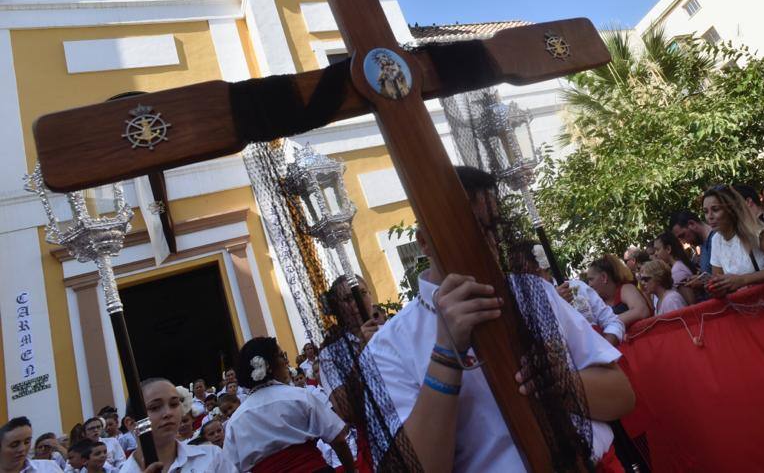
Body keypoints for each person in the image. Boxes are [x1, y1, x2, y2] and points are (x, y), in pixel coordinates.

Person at [364, 165, 635, 471]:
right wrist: (445, 356)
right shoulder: (387, 347)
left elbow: (622, 396)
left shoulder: (533, 292)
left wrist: (561, 384)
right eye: (470, 229)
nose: (489, 243)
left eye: (493, 228)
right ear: (424, 241)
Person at [222, 337, 353, 472]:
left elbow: (228, 468)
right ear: (270, 365)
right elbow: (337, 439)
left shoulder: (235, 422)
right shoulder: (299, 396)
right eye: (281, 356)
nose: (285, 361)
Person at [120, 378, 235, 473]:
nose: (168, 413)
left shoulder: (211, 457)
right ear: (131, 424)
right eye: (155, 407)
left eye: (174, 404)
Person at [703, 185, 764, 295]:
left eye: (715, 209)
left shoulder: (755, 232)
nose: (709, 216)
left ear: (731, 209)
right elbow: (720, 282)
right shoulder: (716, 240)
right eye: (705, 211)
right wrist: (715, 287)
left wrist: (743, 280)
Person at [587, 254, 653, 328]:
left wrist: (607, 323)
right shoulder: (597, 301)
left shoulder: (626, 289)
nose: (589, 285)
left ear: (604, 277)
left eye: (591, 279)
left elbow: (642, 311)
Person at [650, 232, 697, 305]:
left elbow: (690, 302)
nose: (655, 254)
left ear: (668, 249)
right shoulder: (677, 267)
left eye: (657, 250)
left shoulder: (677, 271)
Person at [669, 211, 714, 276]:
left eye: (682, 235)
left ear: (692, 224)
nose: (683, 242)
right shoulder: (703, 245)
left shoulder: (717, 239)